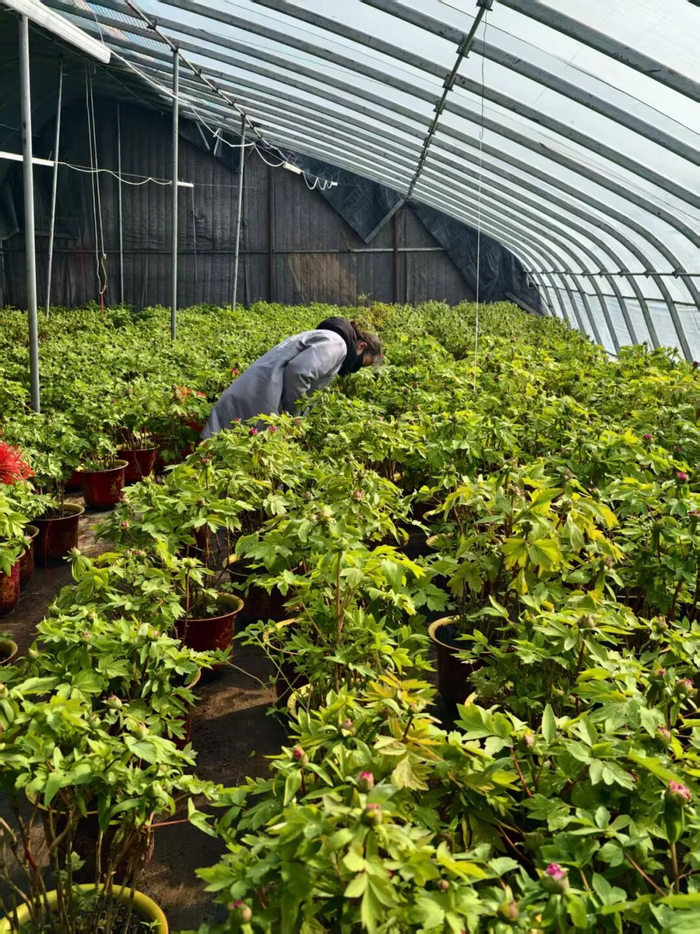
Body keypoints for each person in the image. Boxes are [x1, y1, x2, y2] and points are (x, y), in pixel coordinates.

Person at [201, 316, 382, 439]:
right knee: (228, 460)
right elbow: (300, 372)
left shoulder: (327, 337)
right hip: (259, 400)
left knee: (224, 450)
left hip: (253, 394)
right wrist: (293, 415)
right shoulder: (337, 344)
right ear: (361, 346)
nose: (355, 367)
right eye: (362, 363)